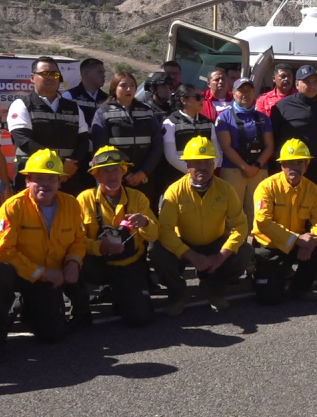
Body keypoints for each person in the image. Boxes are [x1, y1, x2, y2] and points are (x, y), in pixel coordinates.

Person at [0, 150, 88, 362]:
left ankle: (25, 309)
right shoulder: (12, 207)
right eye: (39, 179)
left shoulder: (71, 204)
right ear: (28, 181)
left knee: (54, 334)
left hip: (49, 277)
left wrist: (74, 262)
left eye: (51, 179)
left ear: (60, 182)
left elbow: (79, 240)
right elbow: (1, 250)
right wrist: (41, 272)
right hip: (21, 273)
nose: (46, 184)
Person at [150, 137, 252, 315]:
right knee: (157, 253)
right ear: (187, 165)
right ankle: (178, 293)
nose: (202, 168)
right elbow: (165, 231)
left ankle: (213, 289)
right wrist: (191, 256)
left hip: (215, 244)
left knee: (245, 252)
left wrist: (222, 255)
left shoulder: (226, 189)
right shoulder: (174, 191)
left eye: (207, 162)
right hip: (184, 244)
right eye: (196, 163)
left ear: (214, 164)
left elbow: (240, 226)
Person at [74, 146, 158, 327]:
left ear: (123, 171)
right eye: (105, 171)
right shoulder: (84, 199)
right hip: (96, 263)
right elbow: (76, 240)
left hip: (128, 264)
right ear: (96, 176)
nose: (112, 176)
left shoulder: (138, 197)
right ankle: (80, 309)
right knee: (73, 263)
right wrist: (99, 247)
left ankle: (120, 294)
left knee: (141, 318)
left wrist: (144, 222)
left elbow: (154, 234)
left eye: (116, 170)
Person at [252, 139, 317, 304]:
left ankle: (301, 287)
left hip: (297, 243)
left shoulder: (313, 189)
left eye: (299, 162)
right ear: (282, 165)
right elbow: (262, 221)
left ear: (306, 165)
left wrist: (312, 240)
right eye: (290, 163)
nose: (294, 167)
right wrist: (297, 240)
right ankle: (261, 273)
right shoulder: (266, 187)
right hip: (270, 246)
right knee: (270, 299)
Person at [8, 56, 90, 196]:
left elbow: (83, 141)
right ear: (32, 78)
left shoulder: (73, 107)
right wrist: (60, 164)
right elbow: (24, 141)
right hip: (34, 181)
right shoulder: (21, 105)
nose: (51, 77)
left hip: (67, 179)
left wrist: (70, 166)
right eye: (45, 73)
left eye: (55, 74)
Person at [90, 71, 163, 209]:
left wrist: (143, 172)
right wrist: (125, 172)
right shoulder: (103, 112)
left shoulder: (147, 111)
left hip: (144, 177)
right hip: (116, 177)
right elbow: (101, 146)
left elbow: (157, 145)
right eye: (123, 85)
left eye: (132, 85)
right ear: (114, 88)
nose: (129, 89)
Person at [270, 65, 317, 218]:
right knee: (290, 209)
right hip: (292, 168)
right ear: (297, 84)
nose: (312, 86)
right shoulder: (282, 106)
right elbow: (274, 137)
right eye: (307, 82)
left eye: (314, 82)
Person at [215, 78, 274, 221]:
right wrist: (245, 167)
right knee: (231, 211)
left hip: (259, 170)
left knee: (257, 212)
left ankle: (253, 241)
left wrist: (256, 166)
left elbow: (269, 146)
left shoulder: (263, 118)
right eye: (241, 91)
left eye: (248, 91)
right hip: (233, 170)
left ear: (254, 93)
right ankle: (232, 242)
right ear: (234, 93)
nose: (245, 95)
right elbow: (226, 146)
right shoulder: (224, 117)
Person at [162, 83, 221, 180]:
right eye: (197, 97)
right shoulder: (170, 123)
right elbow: (171, 156)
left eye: (202, 96)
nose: (202, 100)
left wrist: (208, 171)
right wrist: (192, 172)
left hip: (205, 178)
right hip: (178, 177)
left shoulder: (208, 123)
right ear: (183, 100)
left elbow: (217, 153)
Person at [62, 58, 108, 128]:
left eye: (103, 73)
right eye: (99, 72)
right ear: (86, 74)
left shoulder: (107, 99)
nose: (103, 76)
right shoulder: (69, 97)